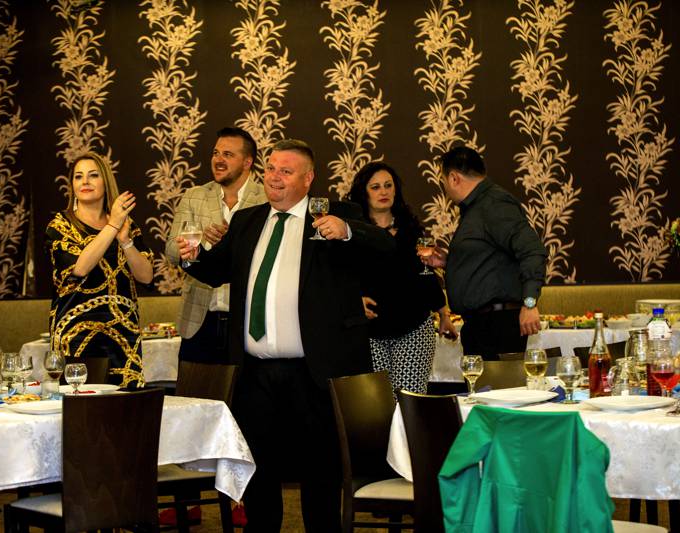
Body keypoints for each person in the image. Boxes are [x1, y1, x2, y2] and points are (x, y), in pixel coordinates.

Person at [176, 139, 393, 532]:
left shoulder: (335, 215)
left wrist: (347, 231)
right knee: (259, 474)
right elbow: (216, 270)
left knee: (320, 476)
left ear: (308, 179)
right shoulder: (247, 220)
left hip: (314, 373)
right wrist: (194, 258)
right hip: (254, 374)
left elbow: (385, 248)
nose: (274, 177)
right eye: (271, 168)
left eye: (286, 171)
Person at [421, 146, 547, 360]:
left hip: (497, 325)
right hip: (482, 325)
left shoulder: (493, 204)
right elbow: (491, 260)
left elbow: (532, 251)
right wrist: (450, 262)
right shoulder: (477, 207)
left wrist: (530, 303)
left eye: (443, 181)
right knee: (481, 383)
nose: (445, 188)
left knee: (500, 383)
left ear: (453, 178)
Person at [45, 152, 154, 387]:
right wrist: (113, 225)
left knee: (125, 404)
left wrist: (125, 241)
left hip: (123, 333)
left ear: (106, 181)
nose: (85, 181)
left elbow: (146, 276)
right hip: (76, 335)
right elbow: (81, 268)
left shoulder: (127, 224)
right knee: (81, 406)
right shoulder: (61, 226)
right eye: (78, 176)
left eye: (93, 175)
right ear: (72, 185)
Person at [348, 161, 456, 394]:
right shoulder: (352, 231)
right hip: (369, 332)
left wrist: (444, 314)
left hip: (414, 329)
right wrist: (352, 301)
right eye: (375, 187)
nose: (383, 192)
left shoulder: (410, 228)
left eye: (388, 185)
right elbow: (340, 275)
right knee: (378, 405)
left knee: (408, 402)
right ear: (364, 193)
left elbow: (425, 275)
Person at [166, 127, 266, 364]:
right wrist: (198, 245)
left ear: (247, 162)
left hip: (247, 322)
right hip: (199, 321)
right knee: (194, 388)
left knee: (244, 389)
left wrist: (229, 244)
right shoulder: (194, 195)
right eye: (215, 153)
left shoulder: (266, 199)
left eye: (228, 154)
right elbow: (171, 250)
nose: (218, 160)